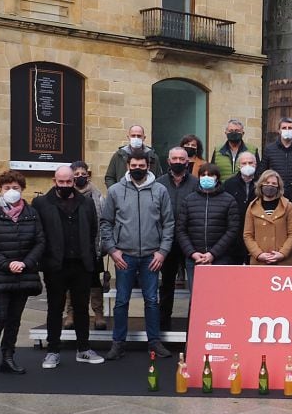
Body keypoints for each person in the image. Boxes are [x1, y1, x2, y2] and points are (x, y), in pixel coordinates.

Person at [99, 154, 174, 360]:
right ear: (128, 166)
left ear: (148, 166)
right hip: (125, 256)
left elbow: (168, 223)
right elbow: (106, 222)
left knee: (151, 300)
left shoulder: (160, 190)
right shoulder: (115, 191)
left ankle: (154, 342)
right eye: (134, 165)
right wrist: (113, 250)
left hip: (152, 256)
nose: (138, 168)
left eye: (141, 165)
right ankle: (118, 343)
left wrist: (163, 251)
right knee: (121, 301)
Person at [33, 165, 105, 369]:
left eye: (68, 181)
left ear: (74, 181)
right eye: (61, 182)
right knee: (55, 309)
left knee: (82, 308)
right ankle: (52, 351)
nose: (65, 185)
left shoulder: (86, 202)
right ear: (54, 181)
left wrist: (90, 255)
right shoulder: (41, 203)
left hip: (81, 264)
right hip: (55, 265)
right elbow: (38, 233)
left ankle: (84, 349)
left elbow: (93, 230)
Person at [0, 170, 45, 379]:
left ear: (22, 190)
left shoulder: (31, 213)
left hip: (23, 273)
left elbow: (40, 241)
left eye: (15, 188)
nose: (12, 191)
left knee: (14, 319)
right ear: (0, 189)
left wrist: (25, 263)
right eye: (7, 188)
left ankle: (8, 357)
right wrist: (8, 265)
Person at [155, 147, 199, 332]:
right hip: (167, 242)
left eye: (182, 158)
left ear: (187, 161)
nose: (178, 162)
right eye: (175, 158)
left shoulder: (196, 183)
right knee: (166, 285)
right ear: (168, 160)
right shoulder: (159, 183)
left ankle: (194, 327)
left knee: (195, 288)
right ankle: (164, 325)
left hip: (190, 242)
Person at [176, 163, 240, 289]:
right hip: (194, 259)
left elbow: (232, 230)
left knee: (219, 297)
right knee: (196, 297)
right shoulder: (189, 200)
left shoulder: (229, 200)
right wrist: (192, 253)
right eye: (203, 175)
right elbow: (181, 230)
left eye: (210, 175)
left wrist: (212, 254)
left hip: (220, 258)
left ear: (217, 178)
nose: (206, 177)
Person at [70, 160, 108, 330]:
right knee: (71, 281)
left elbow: (104, 220)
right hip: (72, 246)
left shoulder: (97, 195)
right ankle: (70, 313)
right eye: (76, 174)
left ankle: (98, 314)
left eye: (82, 174)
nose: (80, 177)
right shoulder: (67, 194)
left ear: (88, 174)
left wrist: (101, 245)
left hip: (92, 246)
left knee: (94, 281)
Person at [243, 170, 292, 266]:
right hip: (259, 262)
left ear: (278, 187)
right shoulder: (252, 207)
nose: (270, 186)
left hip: (283, 262)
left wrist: (282, 253)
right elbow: (248, 235)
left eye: (274, 183)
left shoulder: (288, 206)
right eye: (267, 183)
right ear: (261, 184)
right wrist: (258, 254)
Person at [222, 151, 259, 265]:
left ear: (256, 164)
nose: (247, 165)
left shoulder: (262, 183)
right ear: (239, 165)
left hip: (256, 232)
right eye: (244, 163)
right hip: (234, 233)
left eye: (250, 163)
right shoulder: (229, 184)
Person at [260, 117, 292, 199]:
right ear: (279, 130)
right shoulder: (269, 149)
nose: (287, 130)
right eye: (284, 128)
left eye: (290, 128)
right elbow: (262, 171)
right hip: (276, 192)